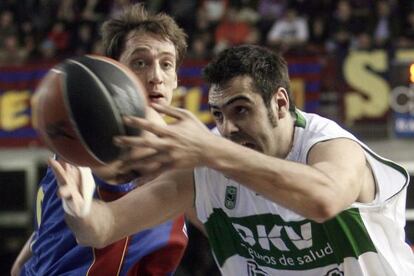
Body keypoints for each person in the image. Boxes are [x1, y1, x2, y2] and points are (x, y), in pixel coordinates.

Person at [56, 44, 414, 275]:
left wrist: (212, 151)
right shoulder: (206, 162)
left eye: (241, 110)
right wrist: (79, 208)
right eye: (217, 115)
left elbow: (323, 200)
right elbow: (102, 229)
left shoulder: (330, 145)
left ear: (280, 103)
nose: (228, 128)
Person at [11, 4, 189, 275]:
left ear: (176, 77)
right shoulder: (96, 140)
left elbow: (22, 262)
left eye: (167, 64)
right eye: (140, 62)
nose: (156, 77)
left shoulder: (81, 141)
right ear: (116, 71)